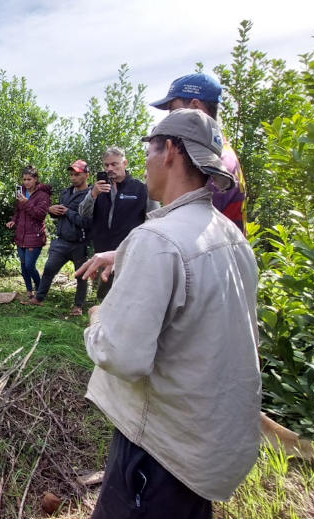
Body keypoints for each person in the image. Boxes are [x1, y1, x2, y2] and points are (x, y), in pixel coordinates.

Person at [75, 109, 260, 518]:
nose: (144, 161)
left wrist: (97, 318)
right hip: (205, 443)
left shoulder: (156, 240)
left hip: (158, 451)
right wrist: (123, 253)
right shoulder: (231, 236)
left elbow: (122, 356)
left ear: (171, 151)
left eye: (149, 150)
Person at [150, 72, 247, 233]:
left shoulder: (211, 163)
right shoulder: (221, 150)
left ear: (196, 106)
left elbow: (190, 233)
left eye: (173, 110)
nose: (169, 119)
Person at [77, 147, 153, 300]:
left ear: (124, 163)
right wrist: (93, 194)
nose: (110, 169)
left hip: (130, 254)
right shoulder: (97, 189)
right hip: (103, 254)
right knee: (104, 297)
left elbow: (154, 220)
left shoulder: (140, 188)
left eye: (114, 164)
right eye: (106, 165)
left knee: (129, 297)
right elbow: (82, 213)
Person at [24, 160, 93, 316]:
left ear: (86, 175)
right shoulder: (66, 192)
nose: (73, 178)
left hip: (80, 243)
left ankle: (78, 306)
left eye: (77, 174)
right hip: (61, 240)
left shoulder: (91, 195)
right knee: (49, 268)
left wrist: (68, 212)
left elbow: (87, 222)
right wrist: (51, 209)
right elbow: (58, 215)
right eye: (71, 174)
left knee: (81, 275)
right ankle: (39, 298)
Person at [5, 165, 51, 298]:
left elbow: (40, 214)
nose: (26, 182)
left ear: (36, 179)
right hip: (21, 234)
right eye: (24, 179)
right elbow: (18, 211)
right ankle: (29, 290)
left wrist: (26, 202)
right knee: (24, 265)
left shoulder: (43, 195)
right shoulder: (21, 192)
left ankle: (40, 289)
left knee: (30, 265)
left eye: (29, 179)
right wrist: (13, 220)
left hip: (35, 235)